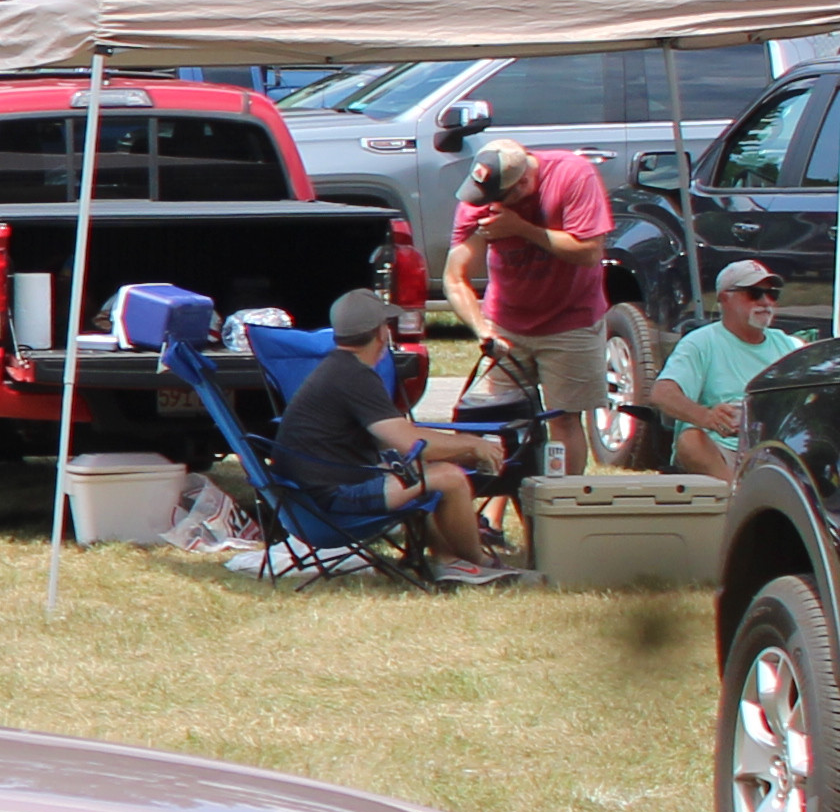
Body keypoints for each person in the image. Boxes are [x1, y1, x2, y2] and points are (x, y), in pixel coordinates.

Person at [274, 288, 519, 579]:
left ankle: (447, 559)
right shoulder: (354, 376)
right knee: (448, 478)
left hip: (305, 499)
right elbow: (412, 443)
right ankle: (481, 563)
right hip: (331, 502)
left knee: (420, 472)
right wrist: (472, 445)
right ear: (380, 333)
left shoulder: (337, 369)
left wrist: (459, 450)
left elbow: (397, 438)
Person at [447, 131, 618, 465]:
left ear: (524, 183)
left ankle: (564, 509)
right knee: (497, 420)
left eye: (497, 197)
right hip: (506, 324)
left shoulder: (572, 175)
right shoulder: (481, 196)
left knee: (563, 418)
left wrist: (521, 228)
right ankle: (494, 511)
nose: (485, 205)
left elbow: (589, 252)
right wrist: (484, 330)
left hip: (571, 320)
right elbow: (455, 278)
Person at [638, 257, 805, 469]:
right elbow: (661, 393)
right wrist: (708, 417)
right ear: (725, 298)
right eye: (754, 293)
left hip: (777, 451)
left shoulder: (788, 345)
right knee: (690, 441)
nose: (765, 302)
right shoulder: (700, 343)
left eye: (772, 294)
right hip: (721, 450)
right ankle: (735, 499)